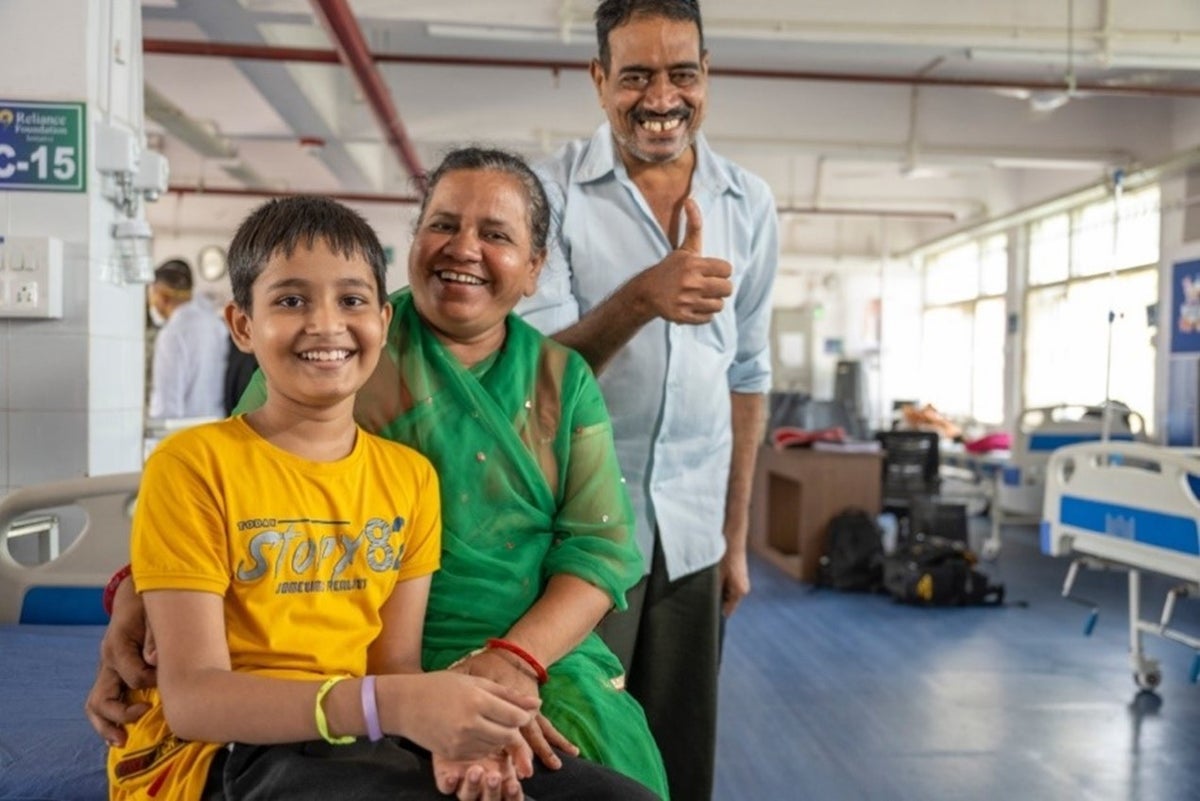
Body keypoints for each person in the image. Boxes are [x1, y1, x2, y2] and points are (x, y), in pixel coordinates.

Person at [88, 149, 668, 800]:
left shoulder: (538, 396)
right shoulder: (315, 374)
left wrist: (504, 668)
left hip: (495, 661)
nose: (464, 248)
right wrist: (141, 598)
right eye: (444, 224)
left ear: (534, 267)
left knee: (606, 775)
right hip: (307, 711)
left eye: (496, 234)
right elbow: (229, 490)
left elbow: (597, 550)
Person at [516, 2, 779, 798]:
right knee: (579, 749)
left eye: (682, 74)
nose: (661, 97)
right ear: (600, 82)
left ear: (707, 79)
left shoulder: (748, 202)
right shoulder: (550, 192)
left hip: (694, 535)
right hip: (581, 533)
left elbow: (748, 376)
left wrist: (735, 537)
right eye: (635, 75)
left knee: (681, 751)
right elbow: (534, 372)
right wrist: (642, 298)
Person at [146, 258, 229, 419]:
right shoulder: (216, 325)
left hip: (185, 432)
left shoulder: (173, 334)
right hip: (216, 426)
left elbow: (167, 407)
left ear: (162, 296)